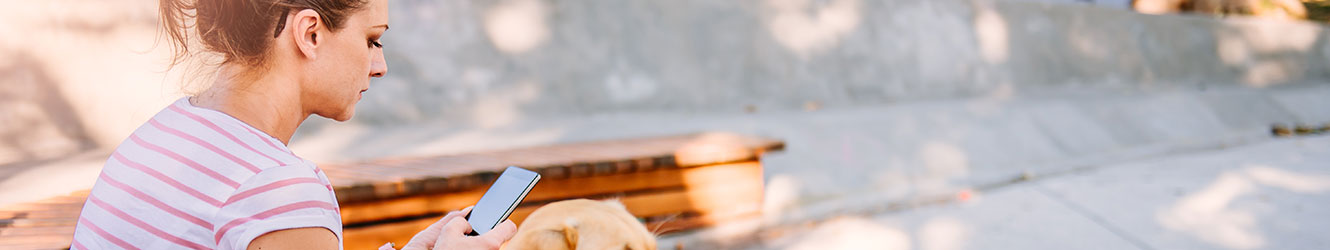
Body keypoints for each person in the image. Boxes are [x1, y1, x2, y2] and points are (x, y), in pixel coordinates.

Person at [69, 0, 516, 249]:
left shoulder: (161, 133)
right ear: (310, 34)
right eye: (372, 39)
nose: (379, 66)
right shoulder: (278, 188)